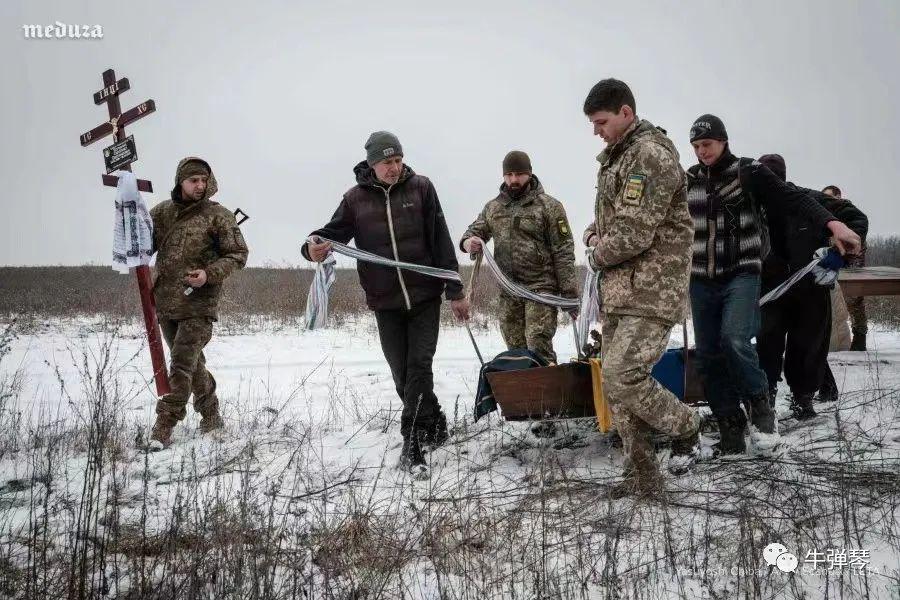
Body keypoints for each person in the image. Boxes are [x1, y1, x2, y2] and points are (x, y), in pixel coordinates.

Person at [686, 116, 860, 455]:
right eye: (695, 147)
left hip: (742, 273)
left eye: (706, 144)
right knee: (708, 354)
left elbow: (793, 198)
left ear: (723, 141)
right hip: (701, 278)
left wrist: (833, 224)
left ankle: (760, 405)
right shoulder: (688, 180)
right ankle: (729, 425)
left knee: (735, 338)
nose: (701, 152)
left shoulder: (748, 172)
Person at [301, 131, 470, 474]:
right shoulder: (354, 199)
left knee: (418, 368)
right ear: (371, 164)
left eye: (398, 160)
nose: (394, 168)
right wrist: (311, 247)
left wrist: (454, 291)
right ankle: (434, 421)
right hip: (385, 301)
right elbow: (330, 234)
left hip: (424, 296)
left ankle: (412, 444)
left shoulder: (421, 188)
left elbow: (441, 240)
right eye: (386, 162)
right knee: (401, 374)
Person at [581, 79, 701, 497]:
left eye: (601, 121)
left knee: (623, 374)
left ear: (626, 113)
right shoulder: (619, 157)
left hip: (652, 289)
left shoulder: (648, 154)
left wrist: (596, 255)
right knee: (613, 382)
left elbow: (633, 233)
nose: (597, 130)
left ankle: (687, 425)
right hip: (623, 290)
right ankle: (642, 477)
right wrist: (594, 231)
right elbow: (617, 219)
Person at [148, 157, 249, 450]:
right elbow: (141, 245)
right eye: (194, 181)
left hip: (199, 304)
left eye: (204, 180)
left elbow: (238, 255)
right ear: (181, 181)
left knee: (180, 363)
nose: (200, 186)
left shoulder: (219, 215)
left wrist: (208, 274)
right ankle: (211, 413)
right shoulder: (162, 214)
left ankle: (164, 424)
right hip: (166, 301)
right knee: (193, 365)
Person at [756, 154, 868, 419]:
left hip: (811, 287)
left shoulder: (811, 200)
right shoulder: (753, 205)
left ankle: (803, 398)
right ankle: (764, 398)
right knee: (767, 343)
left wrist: (839, 253)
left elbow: (856, 218)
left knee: (808, 346)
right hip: (771, 287)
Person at [459, 151, 578, 364]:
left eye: (520, 174)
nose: (514, 180)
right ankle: (523, 397)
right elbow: (474, 232)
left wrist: (569, 295)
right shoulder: (493, 207)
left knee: (537, 344)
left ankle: (550, 395)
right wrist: (469, 243)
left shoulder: (549, 206)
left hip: (540, 290)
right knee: (515, 352)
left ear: (530, 174)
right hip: (508, 292)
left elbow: (564, 250)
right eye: (509, 174)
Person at [824, 185, 869, 351]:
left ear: (839, 197)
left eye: (830, 197)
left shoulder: (849, 213)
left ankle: (860, 335)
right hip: (831, 263)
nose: (827, 201)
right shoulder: (825, 214)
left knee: (854, 299)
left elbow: (859, 244)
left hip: (851, 261)